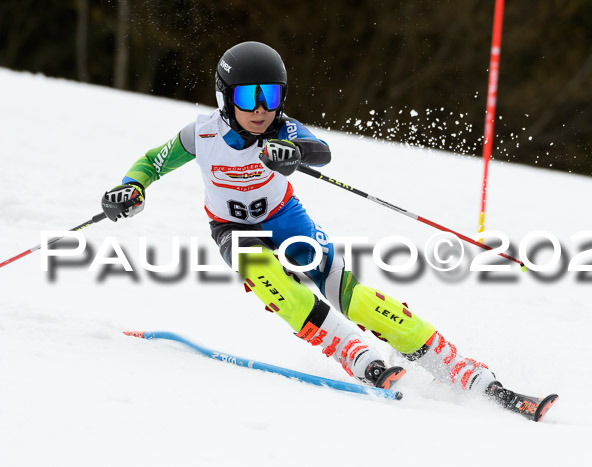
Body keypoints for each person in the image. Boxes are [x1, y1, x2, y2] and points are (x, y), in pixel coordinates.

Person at [102, 41, 499, 395]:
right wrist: (131, 187)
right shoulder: (201, 134)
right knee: (271, 281)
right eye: (248, 97)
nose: (260, 109)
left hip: (285, 218)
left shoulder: (283, 127)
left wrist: (293, 151)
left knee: (350, 295)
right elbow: (152, 161)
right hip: (231, 229)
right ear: (225, 98)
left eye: (270, 95)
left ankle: (453, 365)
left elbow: (319, 150)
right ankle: (353, 353)